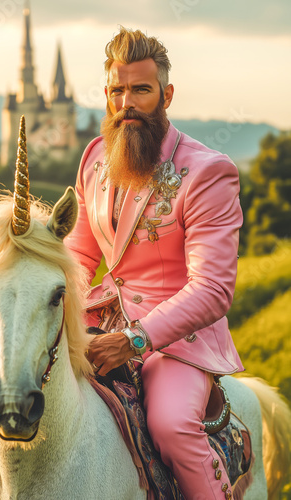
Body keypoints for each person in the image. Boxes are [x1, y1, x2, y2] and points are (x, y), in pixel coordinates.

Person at [65, 26, 243, 500]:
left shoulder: (208, 172)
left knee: (170, 427)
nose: (128, 102)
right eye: (117, 90)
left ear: (166, 95)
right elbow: (81, 255)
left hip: (177, 339)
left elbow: (213, 289)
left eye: (140, 90)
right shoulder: (95, 158)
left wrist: (134, 339)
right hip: (101, 316)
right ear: (107, 96)